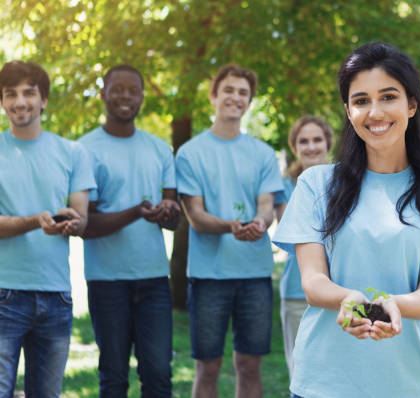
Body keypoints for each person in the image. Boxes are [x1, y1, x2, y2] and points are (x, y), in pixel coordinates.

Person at [273, 42, 420, 397]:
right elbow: (313, 283)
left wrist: (392, 306)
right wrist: (350, 299)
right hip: (324, 383)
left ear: (411, 104)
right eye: (361, 101)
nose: (375, 112)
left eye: (388, 97)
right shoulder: (315, 184)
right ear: (348, 110)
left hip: (409, 383)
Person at [176, 64, 284, 398]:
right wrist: (231, 226)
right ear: (213, 95)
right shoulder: (190, 153)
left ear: (249, 101)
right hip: (209, 275)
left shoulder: (263, 153)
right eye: (228, 90)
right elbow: (195, 215)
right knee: (207, 367)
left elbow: (266, 204)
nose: (235, 98)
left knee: (249, 364)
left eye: (243, 93)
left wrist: (261, 222)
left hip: (254, 274)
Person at [79, 64, 179, 397]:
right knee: (113, 376)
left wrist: (167, 212)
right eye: (117, 89)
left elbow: (174, 218)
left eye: (132, 90)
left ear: (141, 97)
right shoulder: (83, 150)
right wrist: (137, 211)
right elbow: (85, 226)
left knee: (159, 375)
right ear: (103, 94)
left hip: (153, 280)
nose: (125, 96)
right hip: (106, 281)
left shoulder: (160, 148)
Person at [0, 61, 95, 397]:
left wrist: (71, 220)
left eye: (29, 92)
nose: (20, 101)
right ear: (2, 102)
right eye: (10, 94)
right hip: (3, 294)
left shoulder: (73, 152)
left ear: (44, 100)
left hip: (56, 296)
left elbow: (82, 220)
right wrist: (34, 220)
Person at [274, 115, 333, 377]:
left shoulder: (346, 181)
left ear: (327, 143)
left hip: (341, 289)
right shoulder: (285, 185)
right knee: (302, 374)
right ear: (294, 147)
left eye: (317, 140)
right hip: (298, 291)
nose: (311, 147)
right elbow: (296, 229)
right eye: (303, 141)